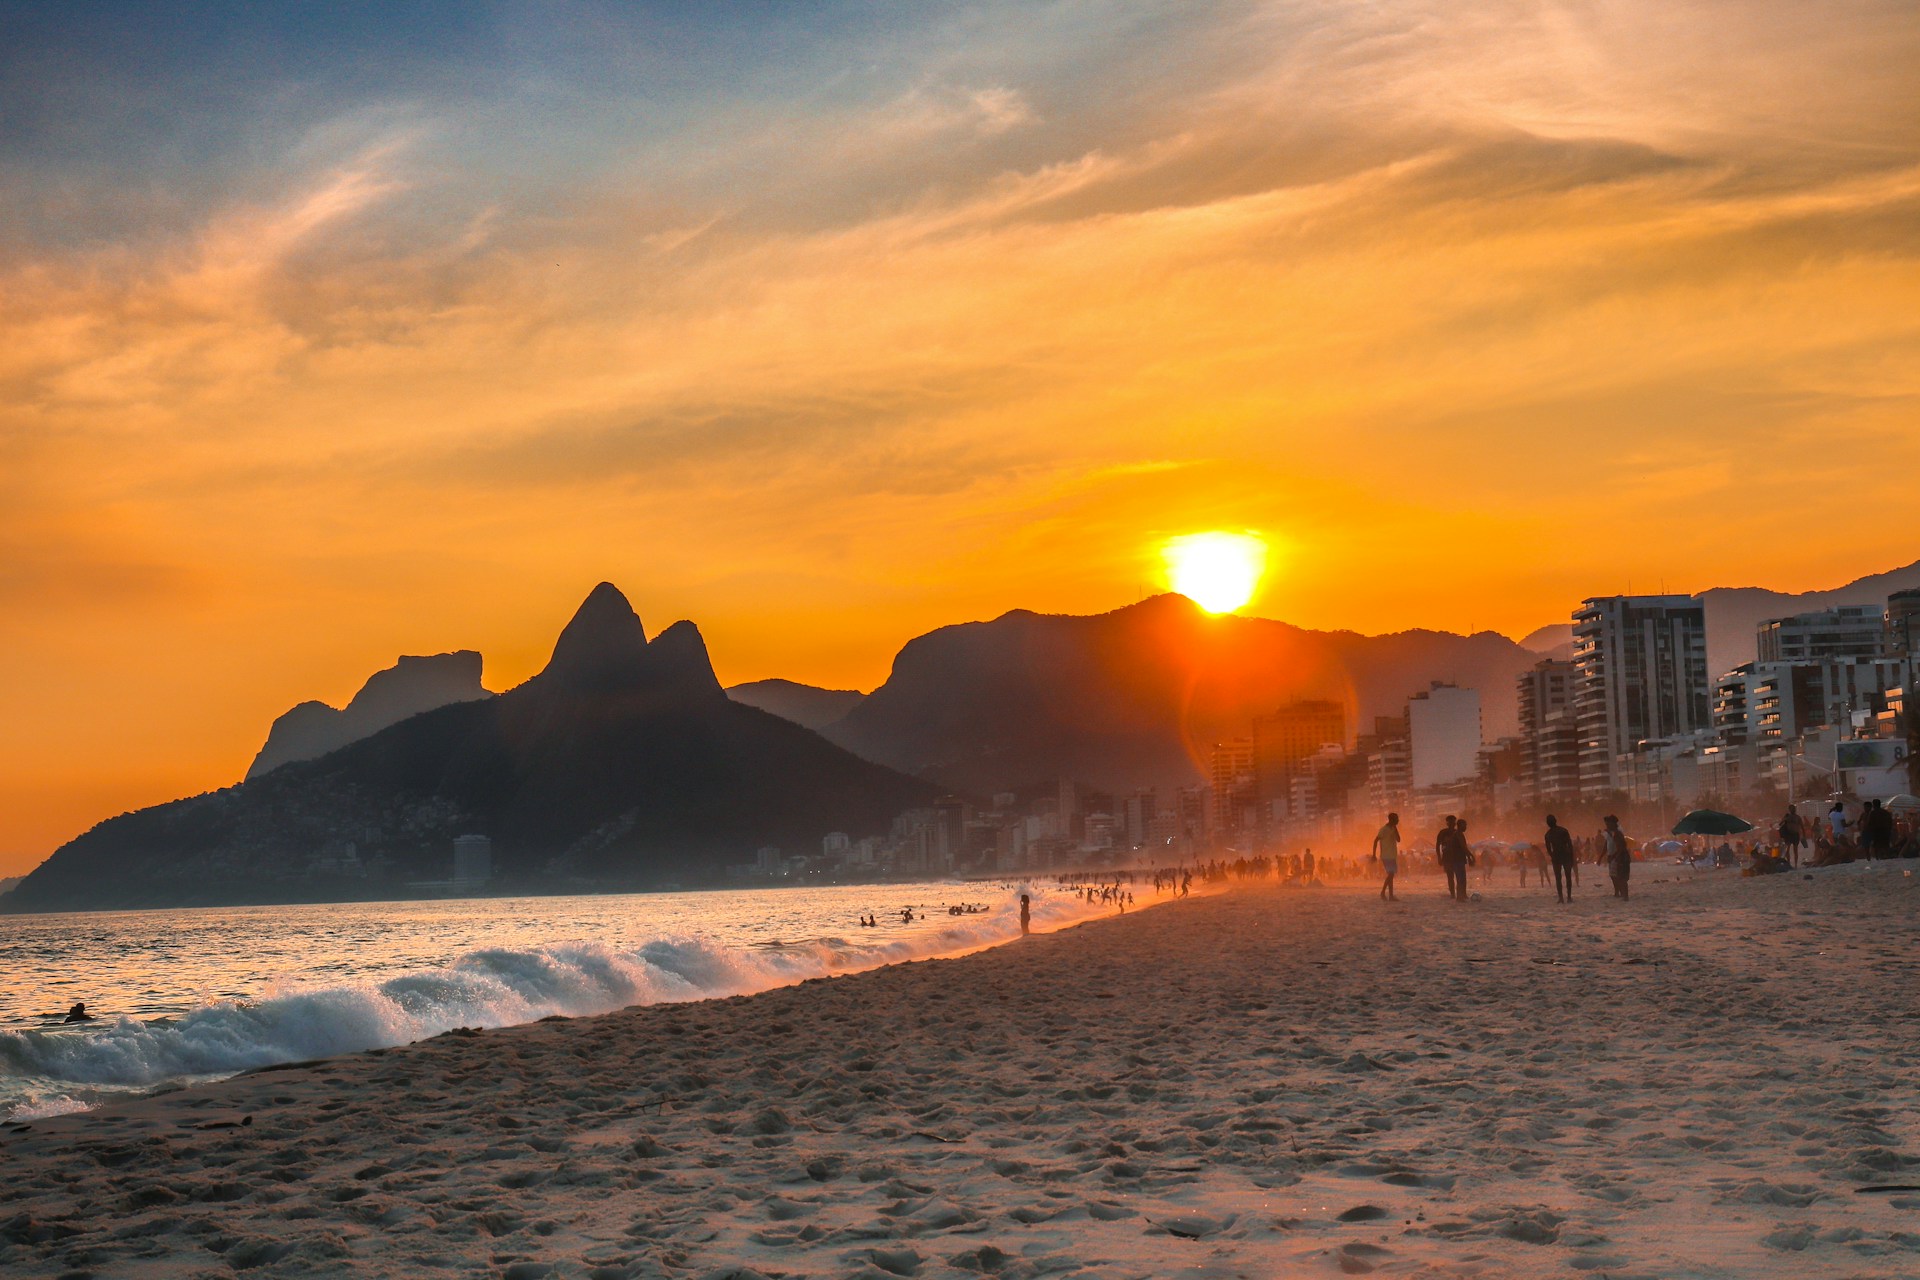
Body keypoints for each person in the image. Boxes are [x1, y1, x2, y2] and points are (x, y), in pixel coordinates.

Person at [1437, 815, 1471, 902]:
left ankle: (1463, 893)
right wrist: (1439, 857)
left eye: (1454, 822)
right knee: (1451, 876)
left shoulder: (1457, 832)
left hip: (1455, 857)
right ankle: (1453, 894)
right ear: (1447, 823)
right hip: (1447, 857)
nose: (1452, 824)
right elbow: (1437, 846)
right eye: (1450, 822)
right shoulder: (1443, 832)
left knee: (1460, 876)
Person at [1544, 815, 1576, 903]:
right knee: (1568, 876)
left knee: (1558, 878)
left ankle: (1561, 898)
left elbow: (1548, 849)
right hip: (1566, 855)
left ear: (1548, 823)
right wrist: (1572, 856)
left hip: (1556, 856)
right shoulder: (1563, 830)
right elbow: (1569, 845)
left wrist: (1552, 855)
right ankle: (1569, 897)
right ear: (1556, 821)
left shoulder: (1548, 834)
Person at [1371, 812, 1402, 902]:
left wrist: (1395, 829)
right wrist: (1374, 855)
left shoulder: (1393, 828)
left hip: (1392, 855)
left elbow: (1399, 840)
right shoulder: (1383, 830)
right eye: (1396, 819)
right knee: (1391, 874)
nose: (1398, 820)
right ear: (1391, 819)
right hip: (1386, 855)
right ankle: (1384, 893)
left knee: (1391, 876)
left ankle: (1389, 895)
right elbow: (1375, 841)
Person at [1603, 815, 1632, 900]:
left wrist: (1614, 856)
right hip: (1622, 857)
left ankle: (1625, 896)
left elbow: (1621, 848)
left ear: (1613, 824)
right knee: (1620, 877)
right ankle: (1624, 896)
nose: (1607, 826)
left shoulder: (1617, 834)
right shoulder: (1616, 833)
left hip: (1622, 858)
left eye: (1608, 824)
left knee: (1621, 878)